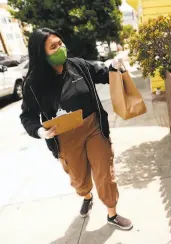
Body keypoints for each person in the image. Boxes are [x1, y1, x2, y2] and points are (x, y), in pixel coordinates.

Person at [20, 28, 133, 230]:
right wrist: (39, 131)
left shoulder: (78, 66)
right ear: (41, 54)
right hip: (64, 137)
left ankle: (112, 213)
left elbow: (103, 74)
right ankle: (86, 196)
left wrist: (114, 67)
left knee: (104, 173)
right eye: (53, 47)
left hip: (93, 127)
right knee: (79, 178)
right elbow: (27, 115)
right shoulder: (34, 84)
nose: (60, 48)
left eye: (60, 43)